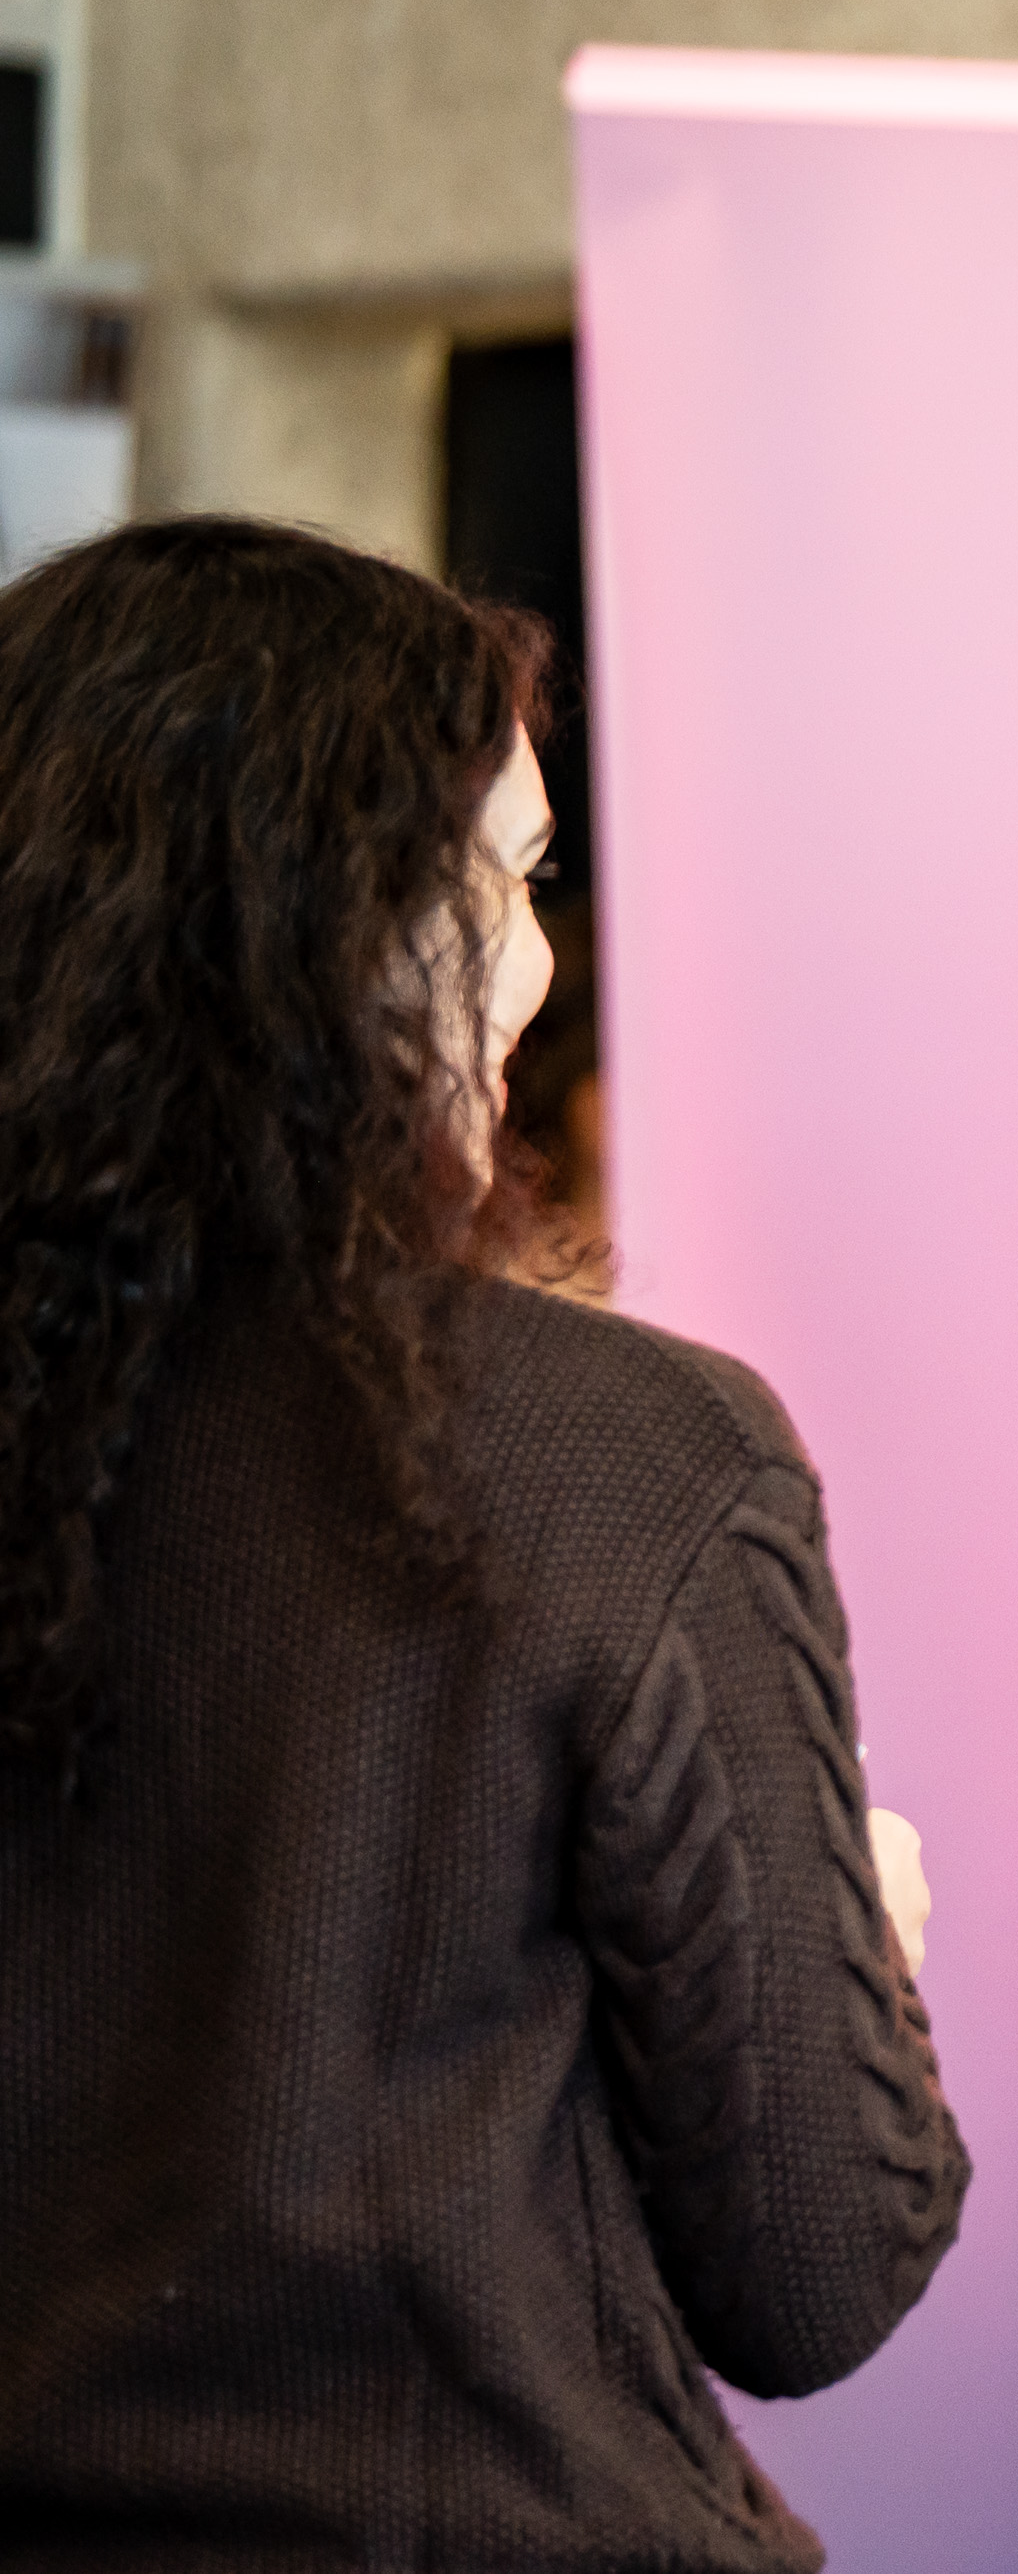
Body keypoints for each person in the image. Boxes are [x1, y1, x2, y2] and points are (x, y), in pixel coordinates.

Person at [0, 518, 966, 2569]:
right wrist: (861, 1945)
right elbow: (817, 2271)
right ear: (340, 942)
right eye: (509, 882)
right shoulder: (632, 1456)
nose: (535, 967)